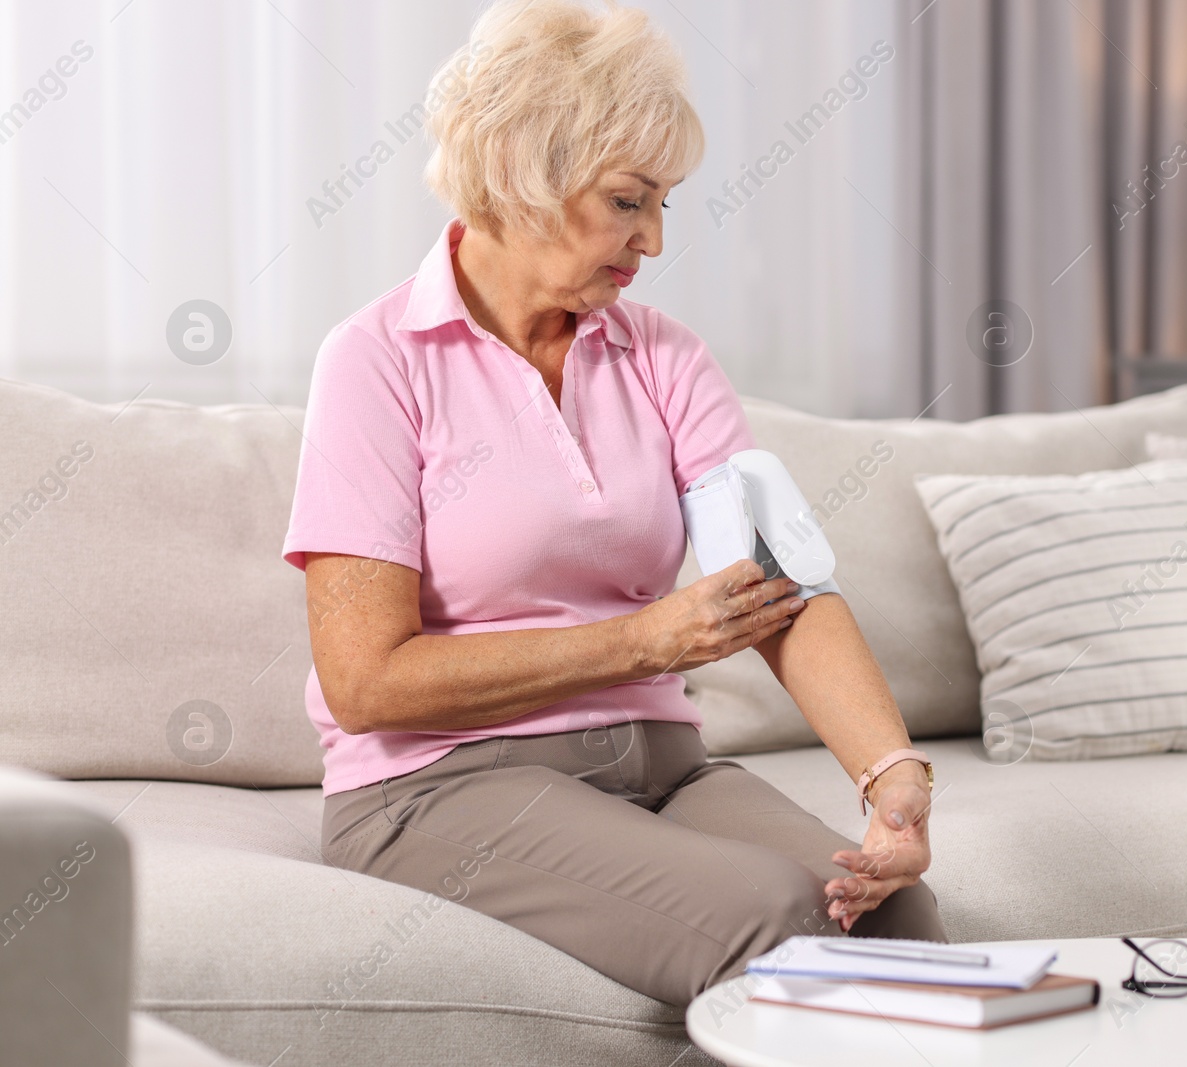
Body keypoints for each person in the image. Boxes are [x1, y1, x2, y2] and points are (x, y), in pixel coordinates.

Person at [281, 0, 945, 1008]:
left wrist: (890, 775)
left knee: (895, 915)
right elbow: (366, 679)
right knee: (780, 913)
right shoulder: (376, 363)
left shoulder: (663, 355)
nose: (656, 240)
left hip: (662, 765)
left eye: (665, 203)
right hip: (439, 784)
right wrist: (640, 641)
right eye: (630, 201)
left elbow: (783, 589)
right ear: (522, 173)